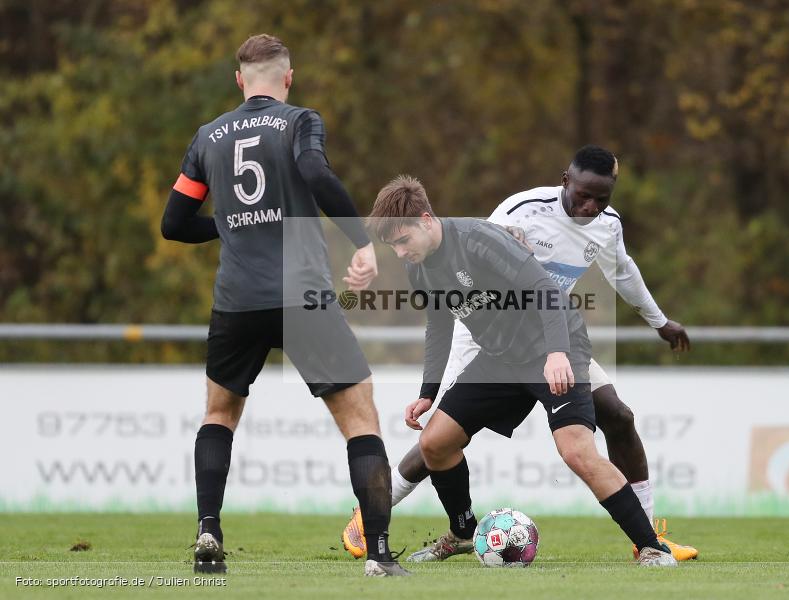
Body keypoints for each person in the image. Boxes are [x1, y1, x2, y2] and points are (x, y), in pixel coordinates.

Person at [343, 146, 697, 562]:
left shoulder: (477, 239)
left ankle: (651, 548)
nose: (400, 252)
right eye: (394, 246)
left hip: (554, 345)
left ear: (425, 220)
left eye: (402, 241)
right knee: (436, 441)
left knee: (577, 451)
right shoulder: (418, 264)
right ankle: (463, 533)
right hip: (499, 357)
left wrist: (558, 354)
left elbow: (545, 290)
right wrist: (428, 389)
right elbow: (439, 324)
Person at [161, 34, 409, 577]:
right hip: (304, 295)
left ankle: (208, 530)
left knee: (219, 415)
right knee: (360, 418)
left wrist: (226, 226)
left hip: (238, 299)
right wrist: (362, 241)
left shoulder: (207, 137)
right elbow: (317, 175)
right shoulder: (299, 121)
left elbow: (173, 225)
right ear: (288, 78)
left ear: (239, 80)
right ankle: (381, 555)